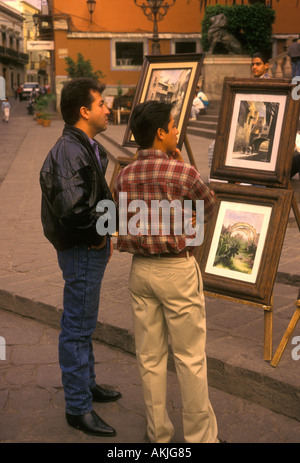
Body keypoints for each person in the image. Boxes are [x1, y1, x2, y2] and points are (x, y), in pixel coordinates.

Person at [114, 100, 219, 443]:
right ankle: (199, 438)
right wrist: (186, 216)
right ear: (160, 133)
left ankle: (158, 435)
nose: (177, 131)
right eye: (173, 126)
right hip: (177, 271)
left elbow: (120, 215)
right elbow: (210, 203)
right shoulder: (184, 172)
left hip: (140, 271)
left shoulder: (125, 174)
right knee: (190, 358)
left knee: (150, 358)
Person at [39, 77, 121, 437]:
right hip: (81, 250)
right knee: (76, 329)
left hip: (87, 247)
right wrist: (98, 237)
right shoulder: (70, 151)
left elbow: (92, 198)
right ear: (84, 111)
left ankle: (86, 386)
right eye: (102, 103)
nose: (108, 109)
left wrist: (106, 230)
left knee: (84, 325)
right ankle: (78, 407)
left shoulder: (83, 145)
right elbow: (73, 211)